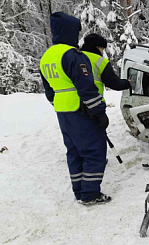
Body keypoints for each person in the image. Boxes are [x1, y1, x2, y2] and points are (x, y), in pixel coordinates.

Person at [39, 12, 111, 205]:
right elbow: (86, 87)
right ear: (70, 31)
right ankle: (90, 194)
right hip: (82, 110)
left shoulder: (46, 57)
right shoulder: (72, 55)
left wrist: (59, 103)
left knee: (74, 152)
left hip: (63, 112)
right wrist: (99, 112)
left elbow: (49, 91)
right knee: (94, 150)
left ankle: (79, 191)